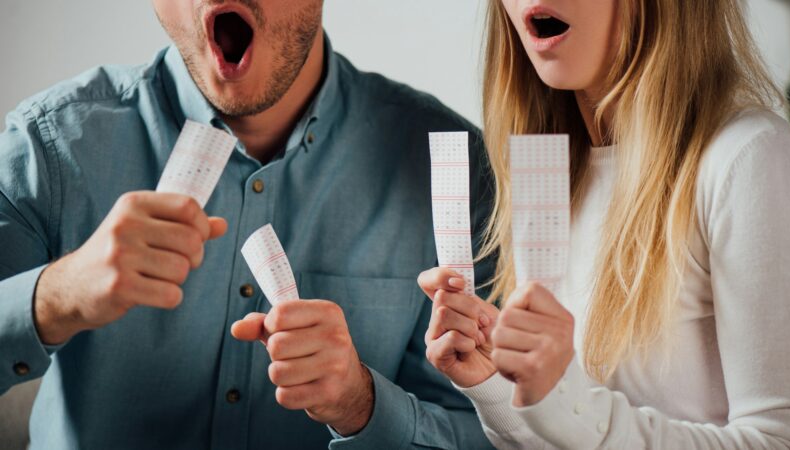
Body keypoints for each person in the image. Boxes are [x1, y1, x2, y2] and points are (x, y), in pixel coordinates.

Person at [0, 1, 496, 448]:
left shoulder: (450, 166)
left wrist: (361, 406)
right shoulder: (51, 147)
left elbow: (491, 432)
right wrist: (54, 295)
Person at [418, 0, 790, 448]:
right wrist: (496, 386)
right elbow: (566, 437)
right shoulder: (550, 169)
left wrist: (568, 402)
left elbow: (781, 441)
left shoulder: (748, 157)